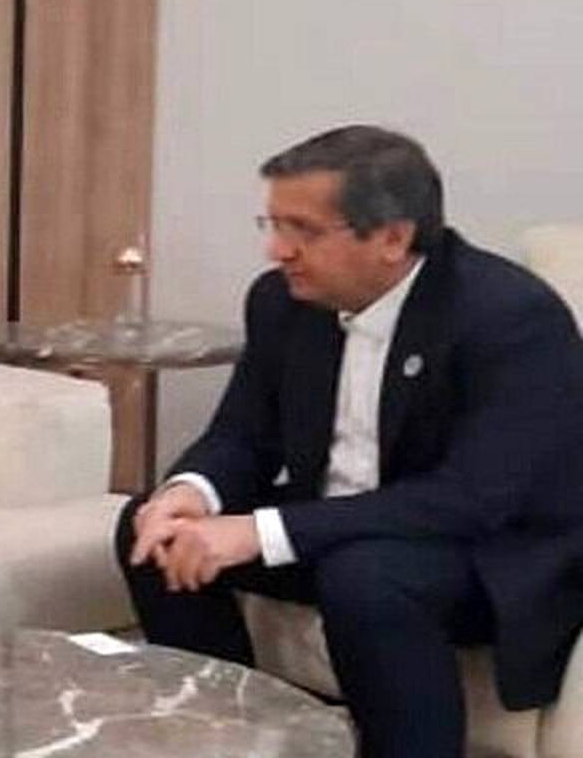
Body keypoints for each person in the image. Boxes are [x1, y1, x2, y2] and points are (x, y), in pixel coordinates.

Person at [115, 125, 583, 757]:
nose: (277, 251)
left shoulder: (507, 315)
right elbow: (244, 434)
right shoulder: (283, 301)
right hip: (339, 530)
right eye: (273, 224)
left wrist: (262, 531)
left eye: (303, 231)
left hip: (487, 552)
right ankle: (231, 738)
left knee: (366, 576)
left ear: (392, 237)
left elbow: (470, 499)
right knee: (149, 530)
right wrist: (189, 492)